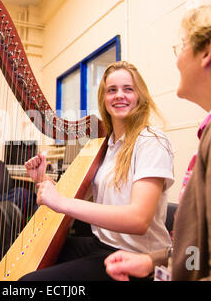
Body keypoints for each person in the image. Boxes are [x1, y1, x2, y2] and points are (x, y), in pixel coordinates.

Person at [105, 0, 211, 281]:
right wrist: (153, 260)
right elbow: (200, 250)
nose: (178, 59)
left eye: (182, 47)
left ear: (207, 52)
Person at [19, 61, 175, 280]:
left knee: (29, 282)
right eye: (112, 90)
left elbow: (138, 220)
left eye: (128, 89)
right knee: (29, 252)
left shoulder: (152, 141)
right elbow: (78, 198)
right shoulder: (107, 144)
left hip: (137, 256)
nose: (119, 95)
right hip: (101, 244)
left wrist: (61, 202)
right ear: (103, 98)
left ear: (140, 96)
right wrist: (42, 179)